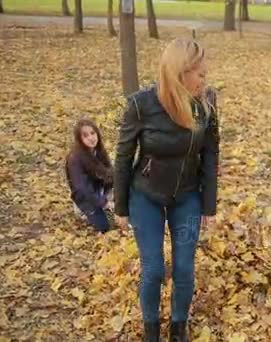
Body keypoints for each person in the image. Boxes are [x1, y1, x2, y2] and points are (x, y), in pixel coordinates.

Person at [113, 38, 219, 342]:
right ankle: (151, 332)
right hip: (145, 195)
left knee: (184, 268)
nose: (204, 79)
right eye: (199, 73)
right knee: (154, 269)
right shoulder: (141, 104)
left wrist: (209, 207)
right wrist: (121, 208)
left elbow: (210, 156)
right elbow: (123, 157)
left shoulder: (206, 104)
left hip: (186, 195)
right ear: (179, 73)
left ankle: (178, 328)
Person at [65, 119, 114, 234]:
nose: (91, 138)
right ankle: (83, 213)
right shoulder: (75, 158)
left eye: (93, 133)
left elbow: (110, 174)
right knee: (105, 227)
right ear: (80, 139)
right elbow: (82, 188)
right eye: (85, 136)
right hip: (87, 199)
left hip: (101, 190)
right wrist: (103, 202)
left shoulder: (98, 151)